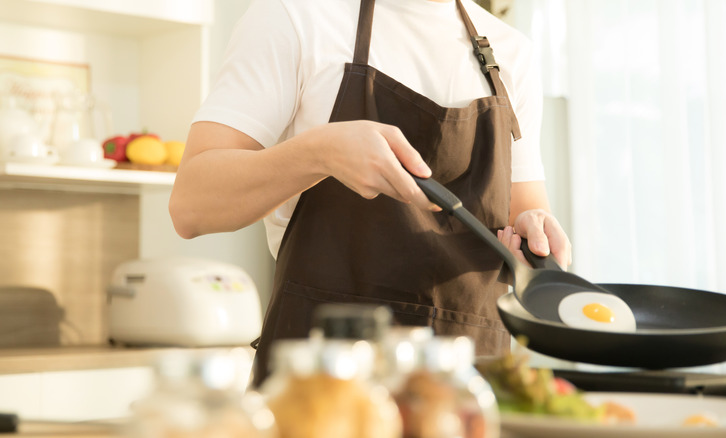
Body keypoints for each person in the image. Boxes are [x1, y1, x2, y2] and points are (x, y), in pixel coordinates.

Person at [169, 0, 572, 387]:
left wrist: (535, 235)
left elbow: (526, 215)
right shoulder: (295, 15)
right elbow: (192, 205)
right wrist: (319, 152)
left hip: (469, 386)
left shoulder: (510, 51)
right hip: (320, 386)